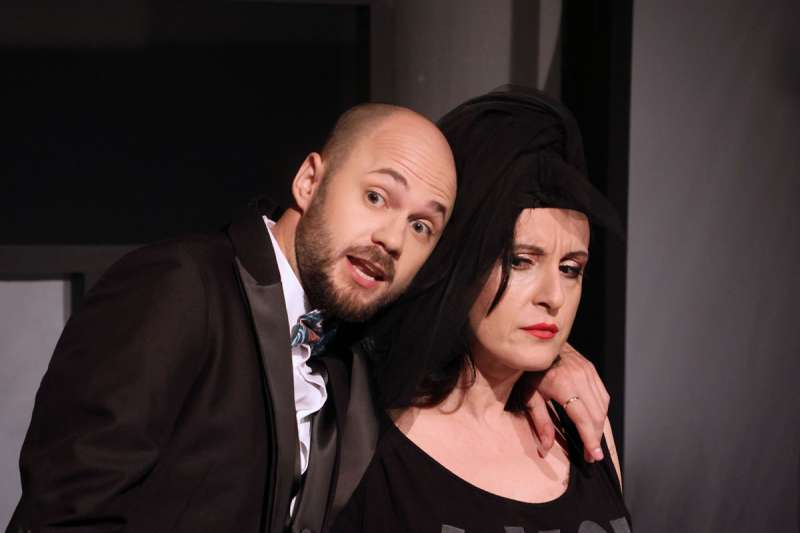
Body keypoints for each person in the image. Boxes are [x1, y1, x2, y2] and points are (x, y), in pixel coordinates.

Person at [8, 101, 614, 533]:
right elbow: (65, 511)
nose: (391, 238)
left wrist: (552, 360)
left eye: (421, 226)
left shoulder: (356, 348)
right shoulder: (184, 286)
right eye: (376, 197)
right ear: (308, 180)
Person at [332, 87, 632, 533]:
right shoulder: (358, 432)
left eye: (571, 269)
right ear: (461, 263)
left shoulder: (583, 425)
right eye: (521, 261)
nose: (553, 296)